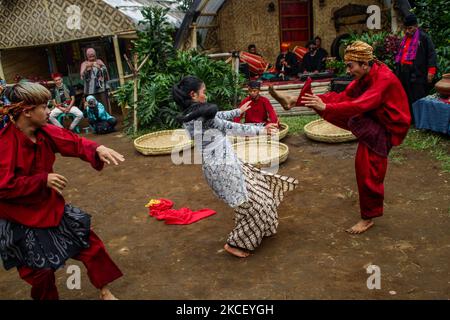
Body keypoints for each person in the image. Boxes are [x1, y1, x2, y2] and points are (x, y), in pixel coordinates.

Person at [269, 41, 410, 234]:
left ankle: (368, 218)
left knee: (367, 169)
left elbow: (361, 105)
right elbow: (345, 96)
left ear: (364, 64)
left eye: (350, 66)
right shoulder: (366, 74)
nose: (348, 70)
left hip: (386, 127)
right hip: (373, 115)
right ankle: (294, 100)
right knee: (338, 100)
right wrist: (316, 102)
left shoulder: (383, 79)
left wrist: (326, 107)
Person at [0, 82, 125, 300]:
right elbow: (3, 187)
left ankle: (105, 291)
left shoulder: (45, 131)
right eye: (44, 107)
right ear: (27, 112)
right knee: (41, 272)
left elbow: (74, 142)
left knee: (90, 245)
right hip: (20, 217)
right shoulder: (5, 143)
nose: (49, 111)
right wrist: (41, 180)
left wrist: (98, 148)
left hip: (49, 206)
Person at [172, 76, 298, 258]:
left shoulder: (191, 113)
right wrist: (262, 129)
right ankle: (235, 243)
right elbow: (230, 127)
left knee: (262, 193)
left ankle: (262, 228)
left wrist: (238, 110)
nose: (205, 95)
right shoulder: (200, 116)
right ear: (193, 94)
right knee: (256, 205)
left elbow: (220, 115)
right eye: (203, 92)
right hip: (223, 168)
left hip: (228, 163)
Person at [395, 14, 437, 111]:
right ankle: (409, 117)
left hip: (417, 72)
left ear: (416, 26)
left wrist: (431, 71)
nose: (407, 31)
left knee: (417, 96)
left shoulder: (424, 38)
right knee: (406, 95)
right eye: (405, 28)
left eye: (410, 28)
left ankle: (419, 118)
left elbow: (432, 54)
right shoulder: (404, 39)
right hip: (404, 72)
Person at [80, 48, 110, 112]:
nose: (91, 56)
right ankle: (96, 120)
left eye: (93, 54)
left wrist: (100, 68)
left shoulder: (99, 61)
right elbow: (82, 76)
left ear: (95, 55)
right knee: (93, 106)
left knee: (104, 105)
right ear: (87, 56)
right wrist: (88, 67)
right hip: (90, 90)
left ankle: (106, 118)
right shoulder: (84, 64)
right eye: (89, 55)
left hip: (101, 88)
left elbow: (106, 73)